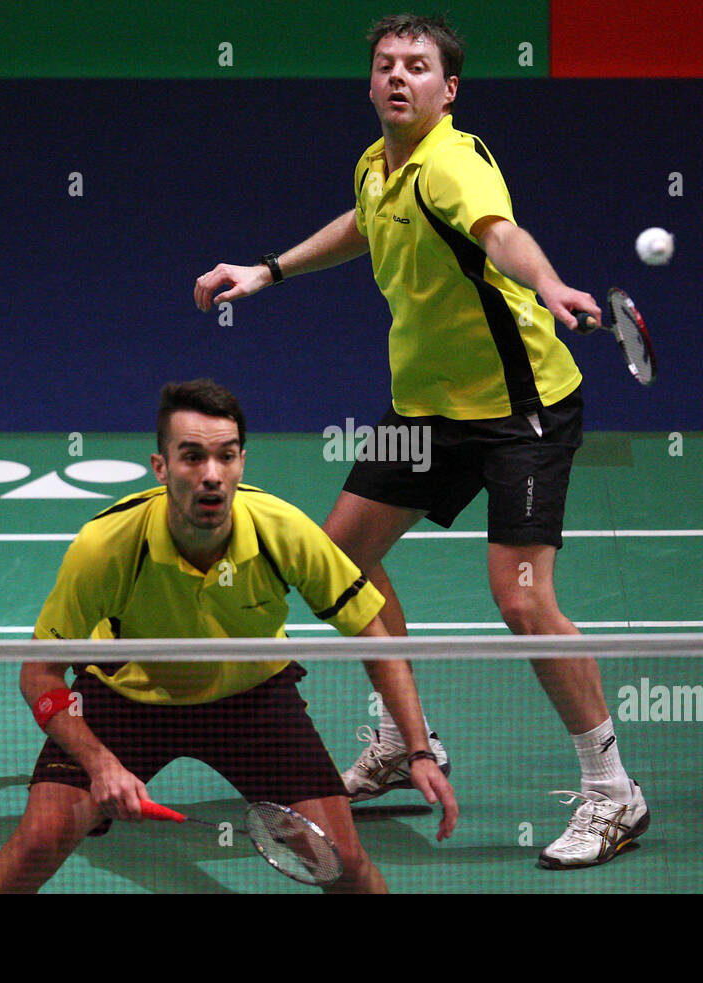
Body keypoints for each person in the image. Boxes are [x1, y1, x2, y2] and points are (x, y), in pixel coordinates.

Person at [193, 14, 647, 869]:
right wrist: (269, 270)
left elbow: (497, 234)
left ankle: (614, 791)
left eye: (419, 66)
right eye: (386, 64)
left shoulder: (453, 163)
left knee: (521, 597)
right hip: (430, 413)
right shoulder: (379, 167)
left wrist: (547, 281)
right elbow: (366, 223)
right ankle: (409, 741)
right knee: (343, 557)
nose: (399, 76)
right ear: (370, 83)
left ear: (449, 89)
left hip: (521, 410)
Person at [0, 379, 456, 894]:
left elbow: (375, 639)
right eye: (192, 457)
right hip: (125, 701)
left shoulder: (282, 530)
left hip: (252, 702)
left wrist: (418, 751)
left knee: (343, 865)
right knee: (37, 842)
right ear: (161, 467)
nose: (211, 476)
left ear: (243, 461)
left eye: (226, 457)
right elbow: (37, 673)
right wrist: (101, 764)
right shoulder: (107, 547)